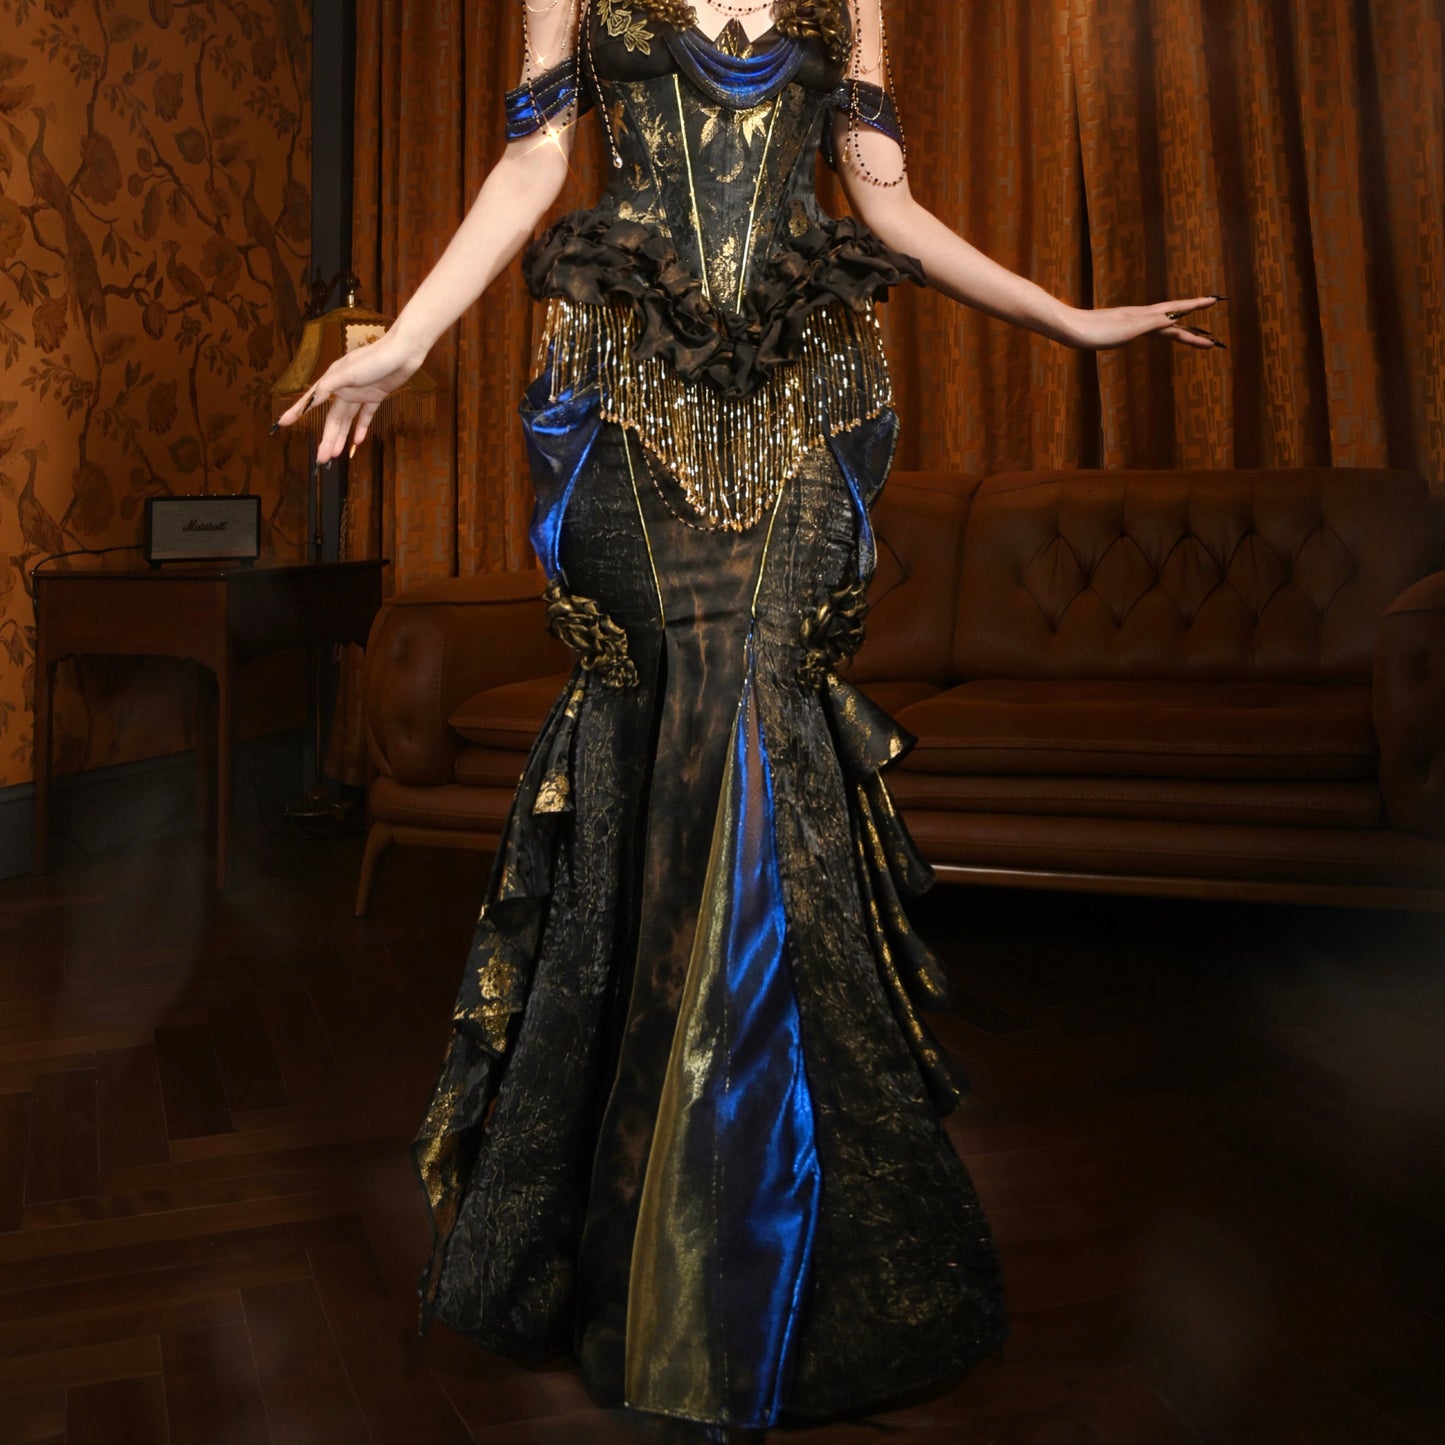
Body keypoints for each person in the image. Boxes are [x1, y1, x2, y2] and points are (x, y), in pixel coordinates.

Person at [276, 2, 1222, 1437]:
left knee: (757, 744)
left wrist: (1064, 317)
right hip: (626, 416)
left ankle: (740, 1269)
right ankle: (662, 1253)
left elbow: (885, 205)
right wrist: (404, 340)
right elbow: (533, 166)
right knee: (678, 765)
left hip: (802, 420)